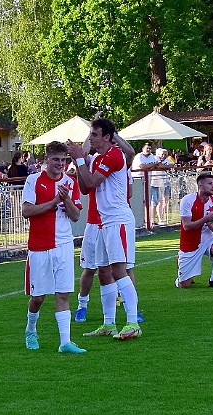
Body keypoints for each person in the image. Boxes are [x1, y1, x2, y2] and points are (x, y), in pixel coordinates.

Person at [67, 117, 143, 340]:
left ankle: (132, 321)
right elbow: (84, 187)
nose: (90, 138)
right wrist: (80, 161)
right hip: (103, 222)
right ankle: (108, 323)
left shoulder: (114, 155)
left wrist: (80, 160)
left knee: (119, 270)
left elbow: (90, 183)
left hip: (117, 220)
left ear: (107, 138)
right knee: (103, 272)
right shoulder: (98, 158)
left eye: (94, 135)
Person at [22, 141, 85, 354]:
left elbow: (75, 216)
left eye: (64, 160)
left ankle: (65, 342)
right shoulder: (33, 181)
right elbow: (27, 211)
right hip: (40, 245)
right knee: (38, 297)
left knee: (63, 293)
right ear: (46, 160)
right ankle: (31, 329)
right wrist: (54, 201)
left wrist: (65, 200)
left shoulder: (70, 182)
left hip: (64, 244)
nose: (60, 164)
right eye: (56, 159)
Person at [176, 172, 213, 288]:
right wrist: (205, 219)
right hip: (190, 241)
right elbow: (187, 226)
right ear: (200, 186)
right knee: (184, 285)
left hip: (207, 238)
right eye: (209, 183)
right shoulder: (187, 200)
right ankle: (181, 266)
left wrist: (210, 224)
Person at [149, 148, 172, 225]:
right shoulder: (155, 158)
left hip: (165, 182)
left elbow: (172, 165)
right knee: (155, 202)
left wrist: (164, 166)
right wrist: (165, 166)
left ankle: (161, 218)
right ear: (158, 154)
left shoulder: (167, 160)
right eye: (162, 154)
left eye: (165, 154)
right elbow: (157, 166)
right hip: (155, 183)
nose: (164, 156)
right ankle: (152, 220)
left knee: (165, 201)